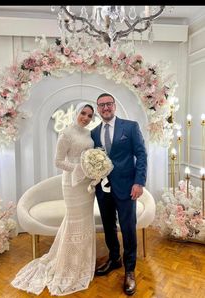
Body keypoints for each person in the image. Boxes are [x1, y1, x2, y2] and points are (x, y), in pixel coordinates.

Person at [11, 102, 96, 296]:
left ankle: (82, 263)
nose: (85, 117)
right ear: (77, 113)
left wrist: (91, 169)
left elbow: (89, 157)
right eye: (83, 113)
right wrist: (77, 168)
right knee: (74, 222)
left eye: (90, 115)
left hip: (87, 185)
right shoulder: (66, 133)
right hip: (72, 184)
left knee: (85, 222)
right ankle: (68, 264)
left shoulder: (89, 135)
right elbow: (57, 161)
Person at [91, 93, 147, 296]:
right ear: (98, 109)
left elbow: (141, 154)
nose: (105, 108)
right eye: (101, 105)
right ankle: (115, 259)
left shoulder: (130, 127)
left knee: (128, 228)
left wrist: (139, 182)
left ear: (114, 106)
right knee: (108, 226)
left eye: (108, 104)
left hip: (126, 187)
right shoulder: (94, 133)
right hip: (103, 189)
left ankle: (130, 270)